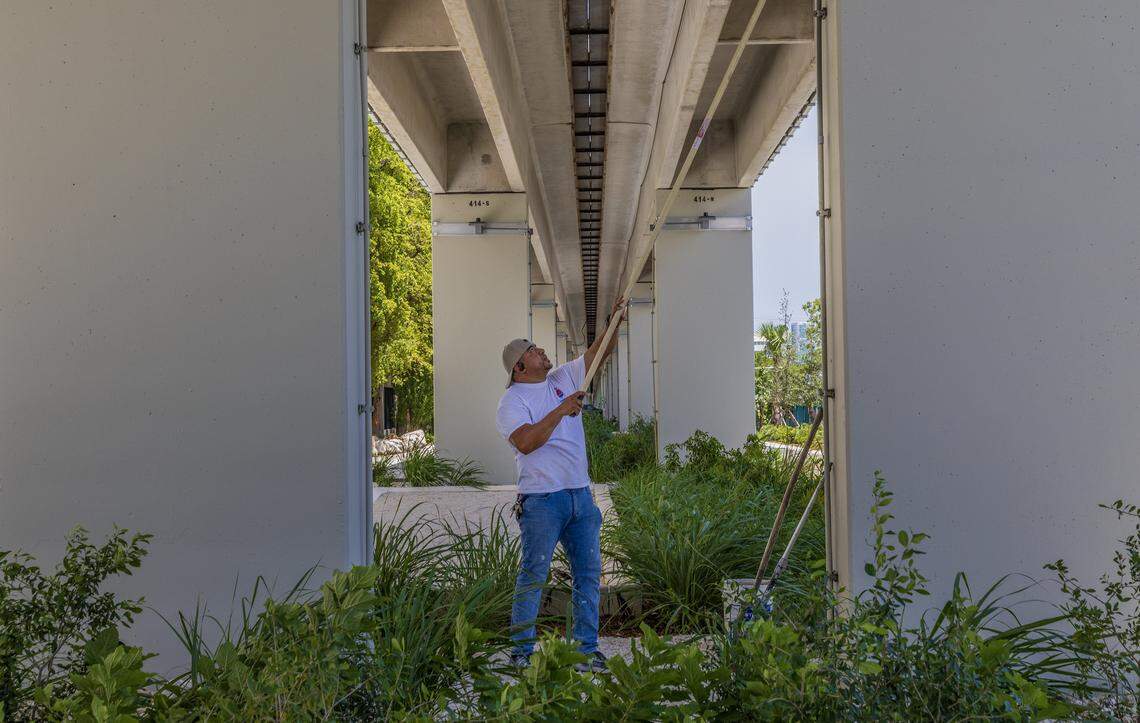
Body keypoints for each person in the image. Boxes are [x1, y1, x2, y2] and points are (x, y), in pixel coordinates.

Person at [495, 299, 626, 672]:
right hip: (541, 501)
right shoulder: (511, 402)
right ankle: (521, 652)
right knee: (533, 574)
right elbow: (526, 442)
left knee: (588, 574)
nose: (541, 350)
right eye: (533, 350)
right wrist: (560, 410)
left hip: (580, 496)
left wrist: (614, 319)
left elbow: (599, 352)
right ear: (520, 367)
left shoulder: (562, 378)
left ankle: (586, 650)